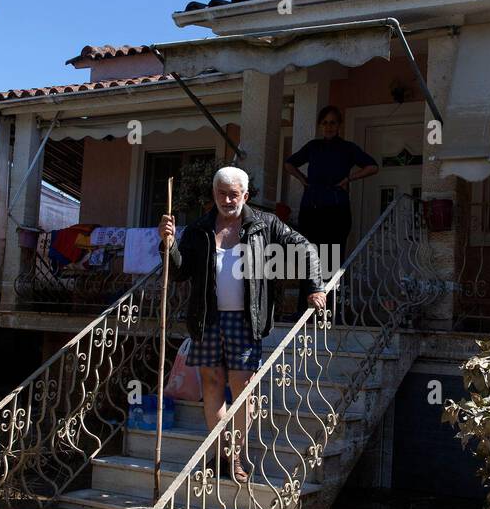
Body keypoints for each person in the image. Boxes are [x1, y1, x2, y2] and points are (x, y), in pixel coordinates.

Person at [159, 166, 326, 483]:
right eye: (221, 193)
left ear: (245, 196)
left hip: (246, 320)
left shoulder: (265, 225)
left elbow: (306, 248)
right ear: (214, 194)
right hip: (208, 318)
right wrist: (168, 246)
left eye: (233, 194)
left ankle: (234, 455)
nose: (227, 199)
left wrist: (315, 286)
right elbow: (181, 272)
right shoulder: (200, 229)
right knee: (211, 385)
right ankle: (222, 455)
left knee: (243, 391)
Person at [284, 106, 379, 273]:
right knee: (310, 259)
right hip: (311, 210)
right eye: (325, 123)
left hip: (336, 211)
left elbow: (372, 167)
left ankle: (329, 298)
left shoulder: (348, 148)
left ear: (339, 125)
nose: (329, 127)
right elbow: (289, 164)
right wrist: (302, 179)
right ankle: (308, 299)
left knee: (332, 261)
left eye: (333, 123)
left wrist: (349, 178)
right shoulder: (313, 146)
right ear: (321, 125)